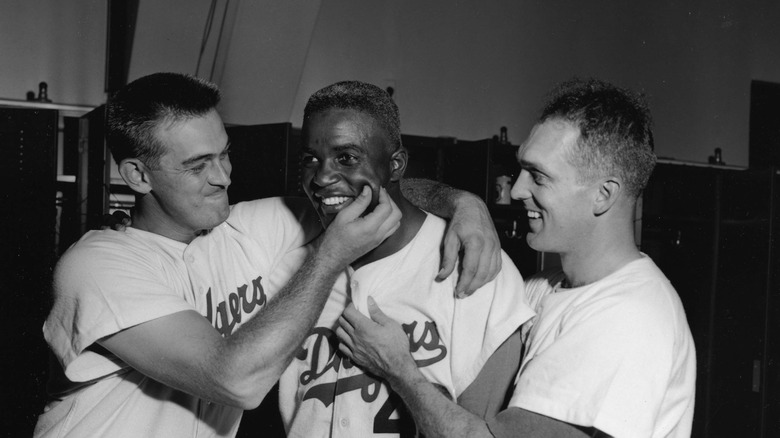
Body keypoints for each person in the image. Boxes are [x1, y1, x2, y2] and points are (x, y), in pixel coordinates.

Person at [34, 72, 501, 438]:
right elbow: (235, 381)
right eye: (198, 165)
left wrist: (464, 203)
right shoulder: (98, 267)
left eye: (224, 154)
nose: (223, 177)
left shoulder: (244, 228)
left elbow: (372, 187)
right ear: (137, 176)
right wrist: (329, 257)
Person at [337, 78, 697, 438]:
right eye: (522, 170)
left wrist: (399, 369)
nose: (519, 189)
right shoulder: (548, 288)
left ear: (603, 194)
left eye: (538, 177)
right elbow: (397, 191)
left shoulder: (627, 317)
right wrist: (465, 203)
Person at [277, 81, 535, 437]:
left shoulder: (474, 264)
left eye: (346, 158)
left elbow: (482, 431)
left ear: (396, 165)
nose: (321, 177)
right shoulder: (290, 259)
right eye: (310, 159)